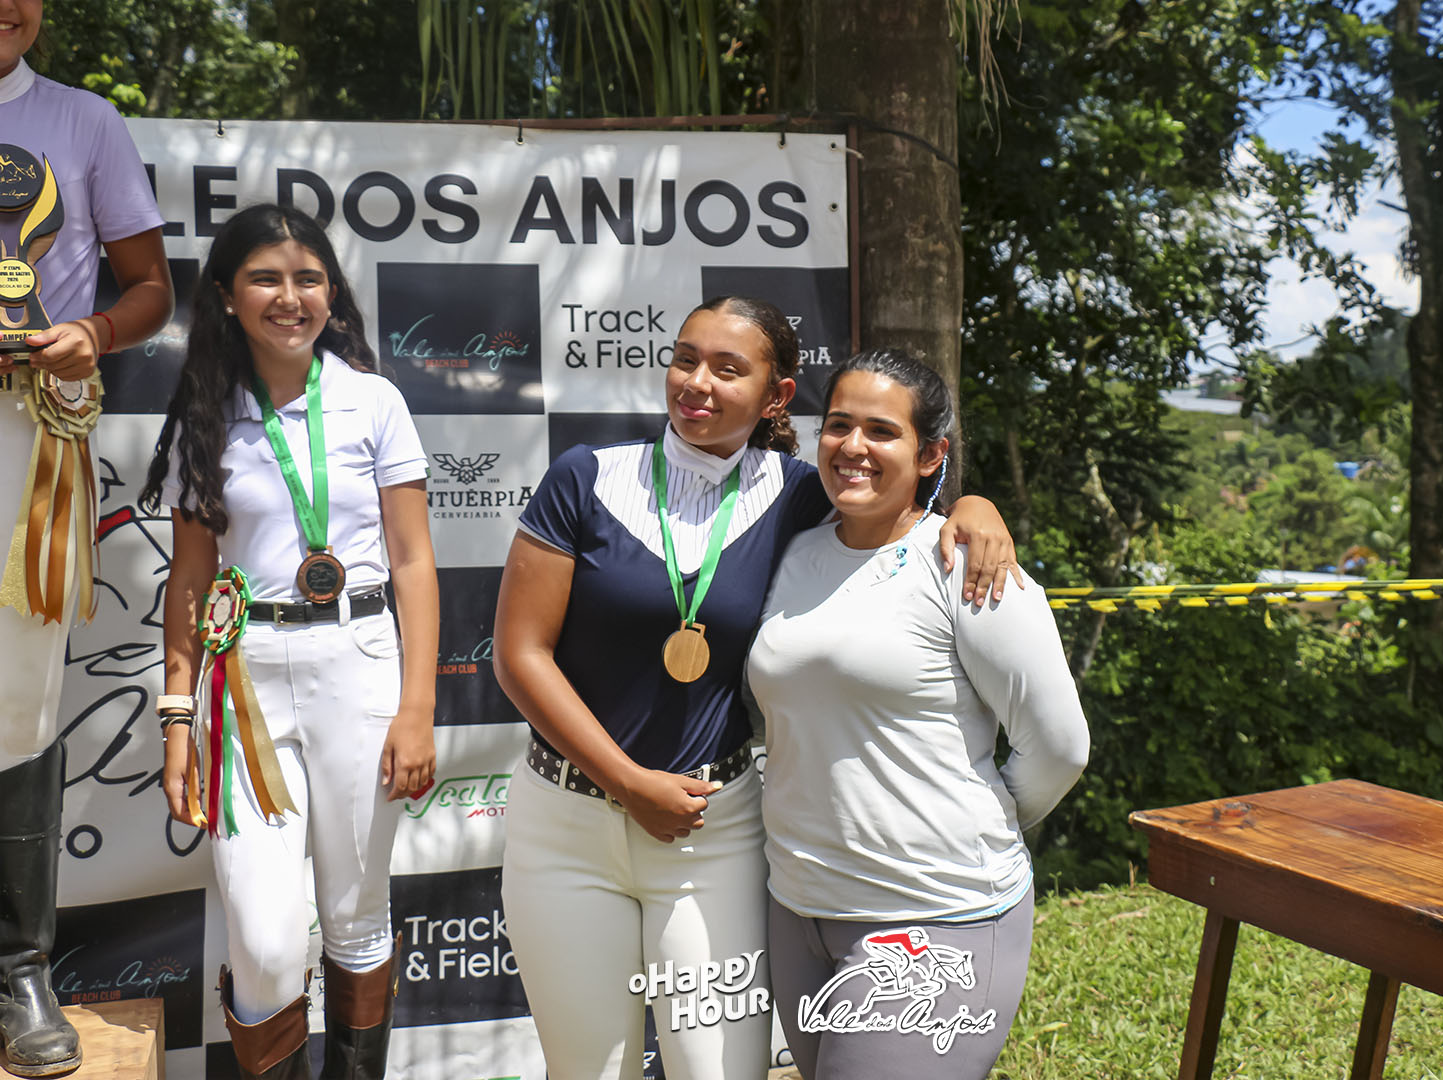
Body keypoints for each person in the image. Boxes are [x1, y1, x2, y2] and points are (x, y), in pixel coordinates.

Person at [493, 296, 1019, 1080]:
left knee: (720, 1071)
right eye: (685, 359)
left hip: (716, 834)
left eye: (727, 369)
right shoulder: (586, 478)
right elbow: (518, 655)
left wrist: (972, 505)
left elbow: (904, 506)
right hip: (563, 830)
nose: (696, 382)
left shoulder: (803, 493)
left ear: (776, 397)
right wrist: (628, 782)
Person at [137, 204, 437, 1080]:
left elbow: (416, 564)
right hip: (248, 687)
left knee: (354, 915)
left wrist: (418, 708)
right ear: (227, 296)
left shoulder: (373, 400)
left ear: (332, 294)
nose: (290, 297)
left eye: (308, 278)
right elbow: (190, 583)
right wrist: (177, 718)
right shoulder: (205, 410)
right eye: (266, 277)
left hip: (362, 669)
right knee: (265, 941)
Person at [747, 348, 1090, 1080]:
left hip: (932, 915)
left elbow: (1059, 747)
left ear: (932, 454)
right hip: (800, 909)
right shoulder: (795, 553)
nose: (854, 448)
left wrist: (975, 824)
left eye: (882, 431)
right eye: (839, 425)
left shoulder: (967, 563)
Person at [0, 2, 175, 1074]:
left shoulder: (83, 121)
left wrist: (94, 333)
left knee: (20, 693)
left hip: (30, 432)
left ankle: (20, 967)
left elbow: (149, 286)